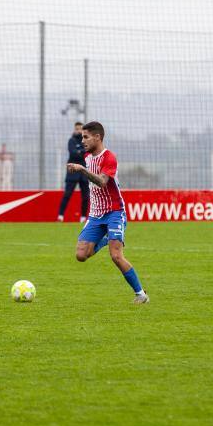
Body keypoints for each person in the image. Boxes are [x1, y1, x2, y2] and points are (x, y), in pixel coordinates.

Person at [68, 121, 149, 304]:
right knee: (81, 255)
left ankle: (140, 294)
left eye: (86, 137)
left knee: (116, 256)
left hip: (114, 212)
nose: (83, 140)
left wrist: (81, 169)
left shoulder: (109, 157)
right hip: (96, 214)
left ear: (98, 137)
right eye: (82, 137)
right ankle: (106, 239)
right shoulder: (87, 156)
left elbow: (103, 182)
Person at [58, 121, 90, 223]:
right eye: (77, 129)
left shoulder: (86, 141)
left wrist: (79, 151)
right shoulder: (71, 141)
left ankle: (83, 217)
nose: (78, 131)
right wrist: (81, 151)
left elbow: (87, 152)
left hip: (84, 171)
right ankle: (60, 216)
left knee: (85, 196)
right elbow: (73, 154)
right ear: (74, 129)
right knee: (67, 194)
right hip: (72, 172)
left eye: (80, 129)